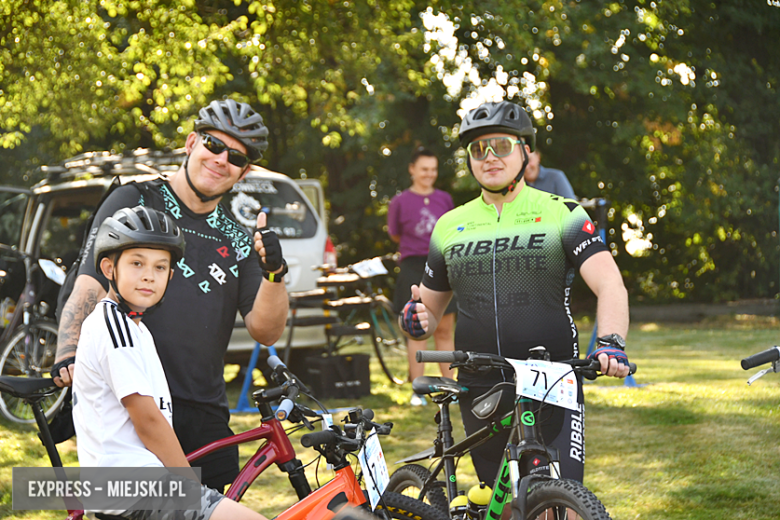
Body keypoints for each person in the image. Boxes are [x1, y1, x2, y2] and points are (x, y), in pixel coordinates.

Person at [53, 99, 290, 491]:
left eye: (235, 157)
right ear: (191, 142)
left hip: (205, 414)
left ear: (244, 172)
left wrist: (274, 273)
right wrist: (67, 351)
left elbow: (265, 331)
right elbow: (90, 281)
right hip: (131, 405)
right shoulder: (135, 200)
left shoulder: (238, 237)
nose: (220, 160)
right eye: (213, 145)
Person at [399, 101, 630, 487]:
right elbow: (428, 314)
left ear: (526, 151)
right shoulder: (449, 226)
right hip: (480, 382)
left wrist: (610, 341)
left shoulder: (563, 213)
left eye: (501, 146)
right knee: (502, 503)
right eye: (477, 149)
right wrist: (416, 317)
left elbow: (610, 284)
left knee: (563, 501)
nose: (489, 157)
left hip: (553, 376)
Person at [73, 205, 266, 520]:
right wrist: (188, 487)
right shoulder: (115, 326)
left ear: (171, 276)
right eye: (137, 263)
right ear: (109, 268)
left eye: (160, 267)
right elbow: (148, 421)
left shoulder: (134, 326)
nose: (149, 275)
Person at [387, 147, 456, 406]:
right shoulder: (399, 202)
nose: (429, 174)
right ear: (412, 169)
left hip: (442, 263)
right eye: (424, 169)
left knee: (445, 328)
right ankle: (418, 391)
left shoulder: (445, 199)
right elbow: (395, 234)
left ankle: (450, 389)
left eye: (433, 169)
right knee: (415, 328)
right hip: (412, 266)